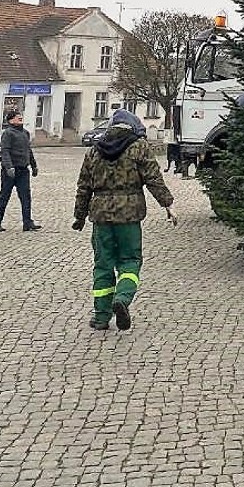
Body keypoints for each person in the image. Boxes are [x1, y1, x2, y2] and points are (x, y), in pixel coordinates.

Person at [72, 108, 177, 332]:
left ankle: (101, 317)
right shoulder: (139, 147)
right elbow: (153, 179)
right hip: (129, 216)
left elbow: (83, 187)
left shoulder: (94, 151)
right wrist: (167, 204)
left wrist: (79, 217)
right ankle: (122, 298)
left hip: (100, 217)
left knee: (103, 265)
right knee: (130, 261)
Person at [0, 110, 41, 232]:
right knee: (4, 196)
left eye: (20, 117)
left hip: (23, 170)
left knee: (26, 197)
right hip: (10, 171)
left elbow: (28, 151)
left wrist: (34, 165)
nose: (20, 118)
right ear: (11, 120)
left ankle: (27, 222)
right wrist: (9, 167)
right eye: (18, 117)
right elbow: (5, 151)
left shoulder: (25, 133)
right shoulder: (8, 133)